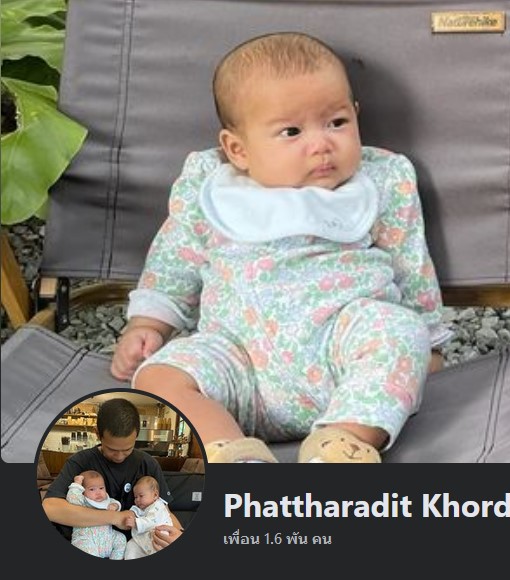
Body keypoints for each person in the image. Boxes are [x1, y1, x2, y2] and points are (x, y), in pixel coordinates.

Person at [109, 32, 449, 463]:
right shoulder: (209, 186)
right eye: (291, 131)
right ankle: (228, 451)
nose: (321, 144)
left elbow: (410, 263)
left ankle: (340, 444)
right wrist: (149, 325)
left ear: (356, 114)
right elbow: (175, 260)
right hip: (235, 361)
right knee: (156, 378)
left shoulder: (381, 179)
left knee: (400, 331)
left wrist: (427, 342)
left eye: (337, 122)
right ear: (238, 149)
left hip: (342, 352)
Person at [43, 398, 183, 551]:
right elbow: (50, 507)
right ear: (97, 434)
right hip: (88, 545)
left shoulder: (148, 464)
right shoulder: (80, 462)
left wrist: (178, 533)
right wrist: (116, 518)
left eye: (127, 449)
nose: (119, 456)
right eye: (112, 449)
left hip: (137, 547)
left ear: (136, 435)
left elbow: (164, 511)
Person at [65, 471, 127, 559]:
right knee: (85, 548)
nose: (98, 492)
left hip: (107, 539)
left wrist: (115, 506)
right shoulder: (83, 501)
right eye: (92, 489)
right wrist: (77, 484)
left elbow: (116, 503)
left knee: (121, 539)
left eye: (101, 488)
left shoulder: (107, 501)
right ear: (83, 491)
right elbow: (72, 498)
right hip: (86, 539)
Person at [124, 476, 174, 559]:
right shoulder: (145, 507)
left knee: (158, 543)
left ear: (155, 495)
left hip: (159, 535)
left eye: (141, 496)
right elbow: (138, 511)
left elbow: (152, 521)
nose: (137, 500)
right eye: (135, 497)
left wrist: (135, 522)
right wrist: (132, 512)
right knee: (131, 546)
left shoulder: (158, 506)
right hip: (146, 537)